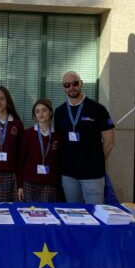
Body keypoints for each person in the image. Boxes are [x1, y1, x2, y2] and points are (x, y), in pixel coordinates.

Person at [54, 71, 114, 204]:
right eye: (67, 85)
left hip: (92, 175)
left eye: (75, 83)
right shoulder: (59, 112)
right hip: (68, 174)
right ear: (63, 87)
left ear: (81, 83)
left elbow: (109, 141)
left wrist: (96, 160)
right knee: (73, 212)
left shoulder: (98, 109)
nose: (71, 87)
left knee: (94, 211)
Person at [18, 99, 61, 203]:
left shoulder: (57, 135)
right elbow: (21, 160)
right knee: (28, 211)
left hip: (49, 182)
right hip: (29, 182)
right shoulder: (27, 134)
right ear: (34, 115)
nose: (41, 114)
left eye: (44, 110)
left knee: (47, 212)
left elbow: (59, 162)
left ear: (50, 112)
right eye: (37, 111)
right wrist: (20, 185)